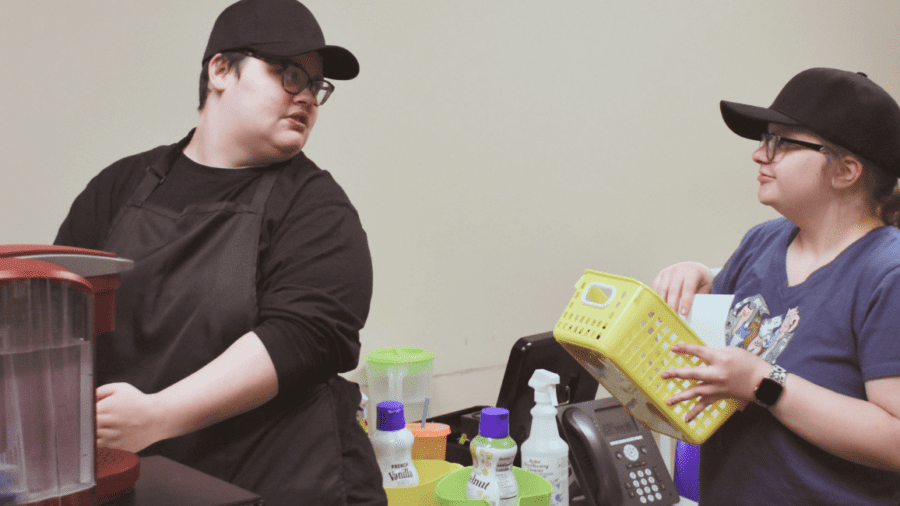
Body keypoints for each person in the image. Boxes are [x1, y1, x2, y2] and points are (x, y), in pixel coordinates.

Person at [53, 0, 386, 504]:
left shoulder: (315, 206)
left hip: (286, 482)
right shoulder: (119, 188)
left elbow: (305, 334)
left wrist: (156, 415)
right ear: (221, 70)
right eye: (289, 74)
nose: (308, 98)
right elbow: (59, 316)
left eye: (316, 86)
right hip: (149, 485)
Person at [652, 68, 900, 504]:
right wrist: (700, 279)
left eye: (782, 142)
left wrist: (764, 383)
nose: (759, 155)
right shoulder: (763, 240)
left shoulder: (888, 274)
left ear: (846, 171)